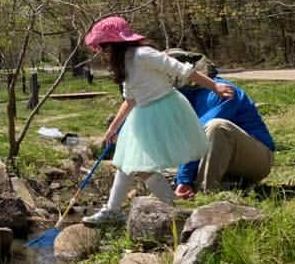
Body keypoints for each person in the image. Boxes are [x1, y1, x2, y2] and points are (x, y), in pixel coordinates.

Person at [79, 16, 236, 227]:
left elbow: (184, 71)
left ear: (116, 43)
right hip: (142, 115)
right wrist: (113, 128)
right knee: (126, 164)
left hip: (163, 111)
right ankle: (113, 210)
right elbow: (130, 100)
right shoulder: (124, 63)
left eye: (104, 47)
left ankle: (172, 209)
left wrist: (214, 87)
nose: (102, 52)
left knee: (142, 167)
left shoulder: (143, 55)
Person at [165, 50, 276, 197]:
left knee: (217, 127)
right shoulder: (182, 98)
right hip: (222, 159)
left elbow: (197, 134)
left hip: (257, 160)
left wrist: (184, 179)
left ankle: (205, 191)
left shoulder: (220, 92)